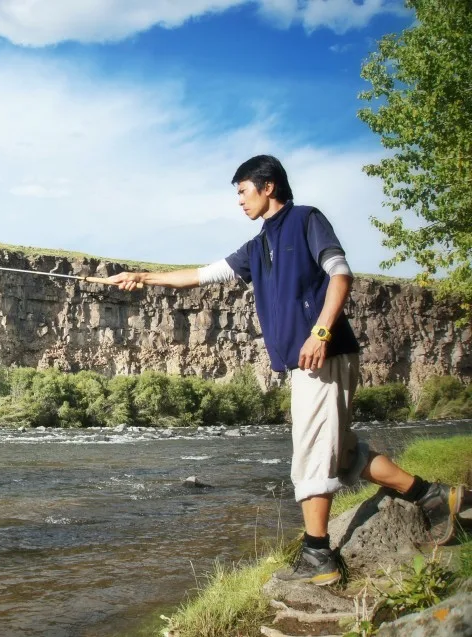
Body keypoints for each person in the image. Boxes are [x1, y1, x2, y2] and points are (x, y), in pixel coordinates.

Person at [108, 154, 465, 586]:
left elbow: (340, 276)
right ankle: (431, 495)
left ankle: (319, 555)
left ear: (268, 186)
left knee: (312, 451)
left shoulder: (307, 220)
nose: (239, 200)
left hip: (323, 355)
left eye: (242, 191)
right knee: (342, 451)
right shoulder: (255, 248)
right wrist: (140, 277)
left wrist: (320, 332)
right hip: (305, 364)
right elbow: (199, 276)